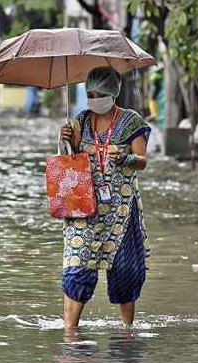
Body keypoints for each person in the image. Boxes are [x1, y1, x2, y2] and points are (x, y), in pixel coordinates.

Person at [58, 67, 151, 332]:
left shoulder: (131, 122)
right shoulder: (81, 121)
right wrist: (64, 140)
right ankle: (70, 332)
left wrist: (126, 159)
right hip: (84, 208)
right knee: (77, 266)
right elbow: (68, 162)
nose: (94, 98)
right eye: (90, 93)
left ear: (112, 93)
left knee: (125, 271)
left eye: (99, 93)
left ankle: (126, 332)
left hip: (120, 211)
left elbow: (142, 162)